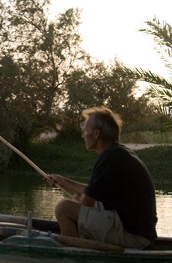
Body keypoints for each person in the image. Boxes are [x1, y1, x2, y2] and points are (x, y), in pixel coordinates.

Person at [47, 107, 157, 249]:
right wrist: (62, 181)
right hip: (135, 230)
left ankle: (71, 255)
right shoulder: (118, 153)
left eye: (85, 131)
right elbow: (92, 193)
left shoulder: (110, 158)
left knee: (63, 208)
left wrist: (79, 198)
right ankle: (74, 241)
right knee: (75, 198)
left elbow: (87, 200)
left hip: (133, 237)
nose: (83, 136)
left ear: (97, 134)